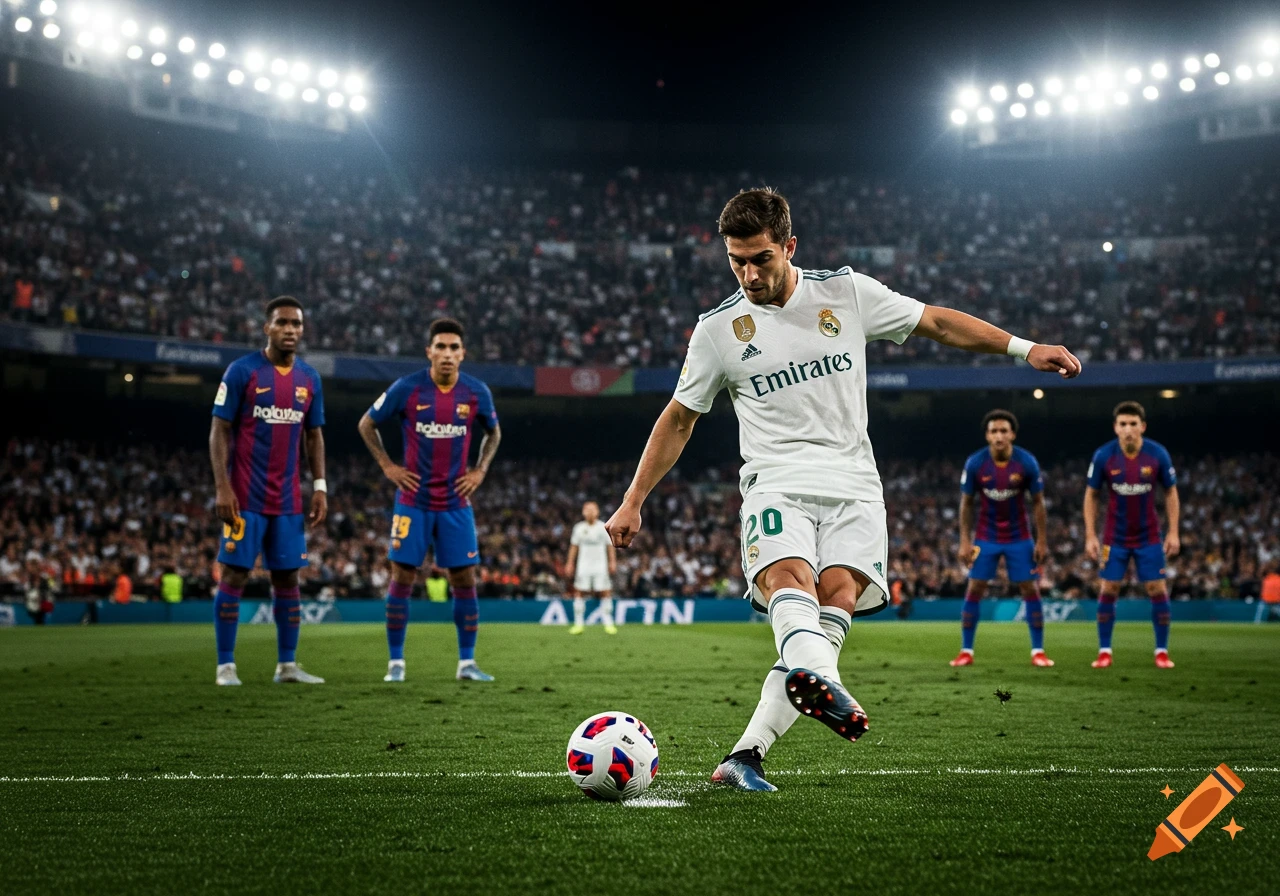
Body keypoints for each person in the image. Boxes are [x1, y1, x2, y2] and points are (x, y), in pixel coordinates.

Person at [604, 187, 1082, 792]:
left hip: (856, 483)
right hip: (776, 482)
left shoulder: (847, 293)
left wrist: (1023, 347)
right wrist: (633, 498)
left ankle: (745, 756)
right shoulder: (720, 330)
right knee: (789, 581)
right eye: (737, 261)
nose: (749, 273)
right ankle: (819, 681)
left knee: (836, 600)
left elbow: (934, 321)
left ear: (789, 247)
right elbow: (679, 417)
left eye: (761, 259)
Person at [358, 318, 502, 683]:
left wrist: (480, 469)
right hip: (413, 501)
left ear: (463, 353)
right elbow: (366, 424)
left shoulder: (476, 392)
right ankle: (395, 663)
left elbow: (494, 431)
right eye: (441, 347)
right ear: (429, 352)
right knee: (403, 575)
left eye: (455, 348)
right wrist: (388, 466)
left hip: (455, 503)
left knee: (464, 578)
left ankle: (467, 663)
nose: (448, 354)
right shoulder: (407, 389)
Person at [209, 296, 328, 686]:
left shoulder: (309, 379)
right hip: (245, 498)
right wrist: (222, 486)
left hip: (289, 500)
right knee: (236, 574)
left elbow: (314, 435)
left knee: (288, 579)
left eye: (296, 323)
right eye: (282, 323)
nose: (290, 329)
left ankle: (287, 667)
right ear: (267, 328)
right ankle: (226, 666)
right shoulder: (242, 371)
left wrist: (320, 486)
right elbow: (219, 429)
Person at [950, 410, 1053, 667]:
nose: (999, 436)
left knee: (1030, 588)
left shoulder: (1026, 462)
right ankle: (966, 651)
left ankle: (1038, 651)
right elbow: (966, 504)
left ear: (1012, 435)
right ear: (987, 435)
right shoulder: (975, 463)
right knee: (975, 588)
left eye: (1003, 431)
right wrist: (964, 540)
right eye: (994, 431)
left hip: (1020, 536)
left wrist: (1041, 541)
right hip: (987, 536)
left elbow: (1038, 503)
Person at [1084, 401, 1180, 669]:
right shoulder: (1104, 455)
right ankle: (1104, 651)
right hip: (1114, 537)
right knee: (1109, 588)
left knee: (1156, 588)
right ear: (1116, 427)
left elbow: (1171, 492)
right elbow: (1091, 495)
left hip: (1149, 536)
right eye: (1123, 424)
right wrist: (1090, 535)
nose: (1128, 429)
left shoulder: (1157, 454)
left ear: (1142, 426)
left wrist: (1173, 531)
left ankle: (1161, 651)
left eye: (1133, 424)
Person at [567, 501, 618, 635]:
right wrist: (570, 563)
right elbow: (574, 547)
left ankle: (608, 623)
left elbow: (609, 546)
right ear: (583, 512)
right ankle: (578, 624)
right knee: (579, 592)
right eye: (587, 509)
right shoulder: (578, 528)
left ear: (597, 511)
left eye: (593, 509)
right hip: (583, 566)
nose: (590, 512)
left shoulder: (603, 527)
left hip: (600, 565)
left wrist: (612, 562)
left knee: (605, 592)